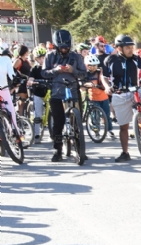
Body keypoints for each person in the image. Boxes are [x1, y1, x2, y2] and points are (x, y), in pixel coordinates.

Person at [103, 34, 141, 162]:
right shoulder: (110, 60)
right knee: (123, 127)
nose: (131, 50)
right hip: (119, 94)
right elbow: (104, 76)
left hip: (135, 89)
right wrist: (107, 86)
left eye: (132, 47)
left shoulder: (135, 58)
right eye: (128, 47)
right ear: (119, 48)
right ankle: (125, 153)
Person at [42, 29, 87, 162]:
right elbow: (44, 73)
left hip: (73, 90)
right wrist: (55, 70)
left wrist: (73, 70)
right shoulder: (49, 56)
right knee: (58, 122)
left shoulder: (76, 56)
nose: (64, 49)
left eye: (66, 47)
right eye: (61, 47)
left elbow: (84, 74)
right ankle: (58, 150)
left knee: (77, 123)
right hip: (56, 92)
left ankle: (80, 148)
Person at [84, 54, 114, 140]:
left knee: (107, 115)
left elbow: (103, 78)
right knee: (95, 116)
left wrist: (107, 86)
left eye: (95, 65)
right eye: (91, 65)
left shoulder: (100, 71)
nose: (93, 67)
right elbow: (82, 83)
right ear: (87, 66)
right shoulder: (85, 74)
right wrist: (87, 84)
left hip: (104, 97)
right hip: (93, 98)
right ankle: (96, 130)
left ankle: (109, 130)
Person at [27, 46, 48, 143]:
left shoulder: (49, 67)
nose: (42, 59)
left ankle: (54, 133)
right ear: (36, 59)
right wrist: (32, 81)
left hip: (49, 91)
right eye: (39, 58)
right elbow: (30, 78)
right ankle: (36, 134)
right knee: (38, 114)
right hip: (38, 92)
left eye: (43, 57)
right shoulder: (34, 69)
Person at [12, 45, 32, 115]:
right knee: (21, 104)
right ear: (25, 52)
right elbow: (12, 70)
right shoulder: (18, 60)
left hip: (27, 84)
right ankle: (20, 119)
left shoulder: (26, 61)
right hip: (21, 84)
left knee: (27, 103)